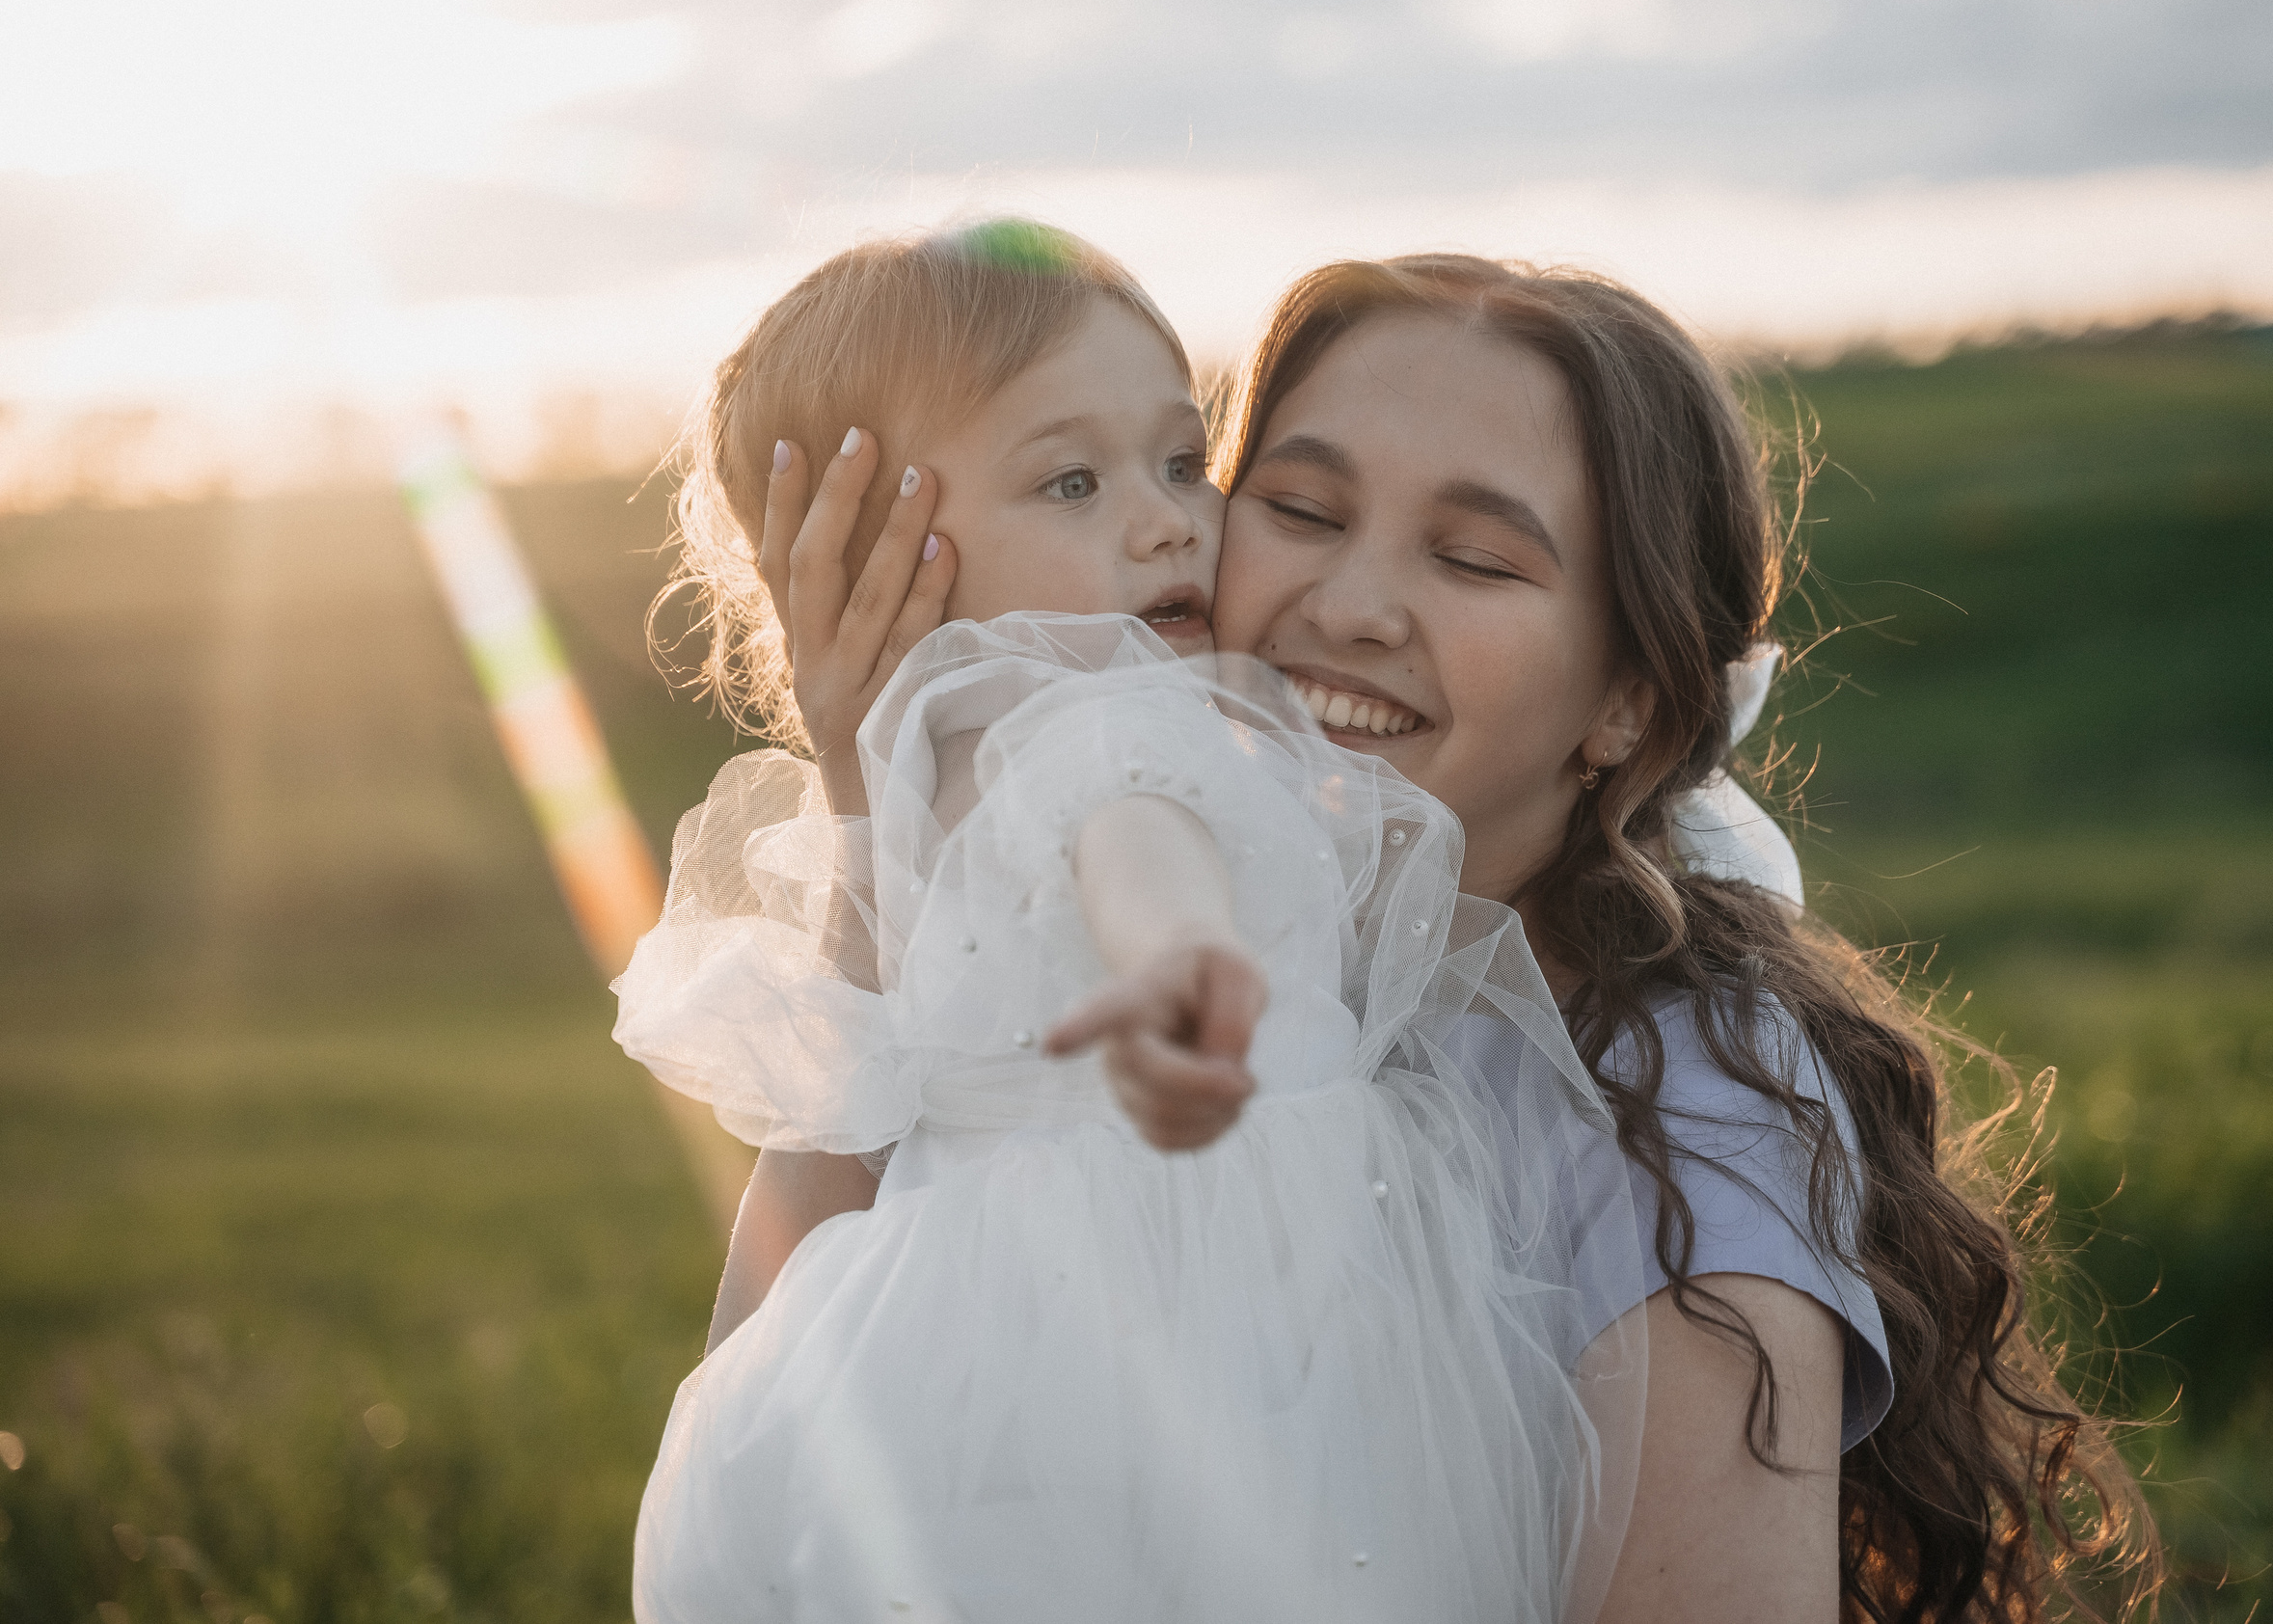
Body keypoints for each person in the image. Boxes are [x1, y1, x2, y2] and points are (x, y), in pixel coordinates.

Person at [749, 245, 2164, 1620]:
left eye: (1476, 560)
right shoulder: (1217, 956)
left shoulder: (1676, 1117)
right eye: (1299, 508)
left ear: (1631, 704)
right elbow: (773, 1425)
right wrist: (885, 806)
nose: (1349, 609)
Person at [612, 221, 1646, 1623]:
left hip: (992, 1342)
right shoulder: (1097, 725)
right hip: (1178, 1318)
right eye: (1074, 482)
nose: (1169, 523)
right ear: (877, 559)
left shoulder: (960, 783)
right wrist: (1186, 961)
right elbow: (1135, 833)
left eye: (1181, 461)